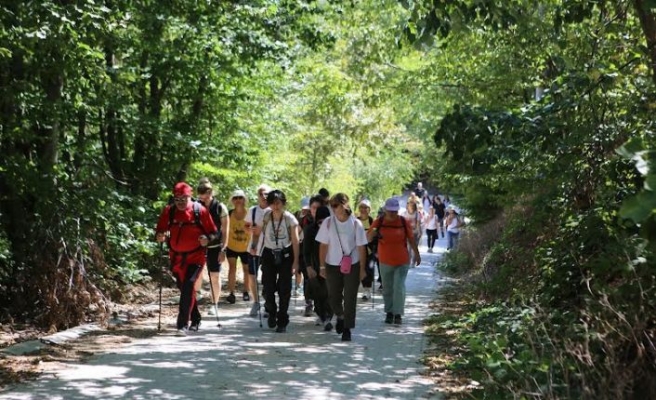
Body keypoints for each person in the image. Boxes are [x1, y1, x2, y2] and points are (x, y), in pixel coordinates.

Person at [155, 182, 218, 336]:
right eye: (177, 199)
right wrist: (160, 236)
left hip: (196, 257)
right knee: (185, 290)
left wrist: (207, 239)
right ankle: (195, 318)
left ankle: (182, 324)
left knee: (189, 286)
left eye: (183, 199)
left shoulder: (200, 211)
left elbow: (214, 233)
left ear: (189, 197)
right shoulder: (169, 212)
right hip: (176, 258)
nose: (181, 203)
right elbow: (159, 231)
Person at [316, 193, 368, 342]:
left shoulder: (355, 224)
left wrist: (363, 269)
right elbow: (323, 245)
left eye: (335, 205)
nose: (332, 209)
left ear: (344, 205)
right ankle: (340, 315)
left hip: (353, 264)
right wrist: (322, 266)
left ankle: (347, 328)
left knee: (350, 297)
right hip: (332, 264)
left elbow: (361, 248)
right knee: (333, 296)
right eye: (331, 205)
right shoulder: (328, 222)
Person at [251, 189, 300, 333]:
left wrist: (296, 261)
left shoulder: (290, 219)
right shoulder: (266, 216)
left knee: (284, 288)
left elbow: (296, 242)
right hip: (268, 254)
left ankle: (282, 320)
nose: (275, 206)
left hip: (285, 255)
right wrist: (254, 246)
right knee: (268, 287)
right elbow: (257, 233)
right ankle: (271, 311)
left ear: (283, 203)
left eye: (278, 203)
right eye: (272, 203)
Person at [368, 197, 420, 326]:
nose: (392, 213)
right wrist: (374, 234)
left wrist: (417, 254)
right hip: (384, 260)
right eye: (390, 211)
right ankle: (389, 312)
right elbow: (368, 238)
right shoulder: (378, 222)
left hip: (402, 260)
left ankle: (398, 314)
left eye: (395, 211)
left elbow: (411, 239)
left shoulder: (403, 221)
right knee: (387, 288)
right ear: (385, 210)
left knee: (399, 286)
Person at [196, 180, 229, 313]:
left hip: (215, 246)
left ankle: (214, 304)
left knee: (214, 275)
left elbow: (226, 231)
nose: (202, 198)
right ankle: (195, 298)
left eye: (205, 195)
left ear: (210, 193)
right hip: (198, 246)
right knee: (196, 274)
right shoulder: (196, 206)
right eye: (200, 196)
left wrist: (223, 249)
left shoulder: (220, 207)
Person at [303, 205, 333, 330]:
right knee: (318, 293)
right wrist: (309, 267)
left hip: (332, 266)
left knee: (329, 293)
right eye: (320, 221)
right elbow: (306, 251)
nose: (322, 224)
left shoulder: (335, 230)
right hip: (315, 266)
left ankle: (328, 316)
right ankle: (322, 315)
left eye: (325, 221)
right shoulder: (310, 230)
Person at [245, 184, 271, 317]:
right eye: (261, 194)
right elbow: (246, 226)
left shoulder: (274, 210)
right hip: (253, 248)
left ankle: (268, 304)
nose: (264, 196)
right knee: (252, 276)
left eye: (266, 194)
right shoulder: (253, 210)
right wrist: (250, 230)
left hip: (268, 249)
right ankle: (256, 302)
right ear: (258, 196)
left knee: (268, 278)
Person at [226, 189, 251, 303]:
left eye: (240, 198)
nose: (238, 200)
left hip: (246, 247)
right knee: (232, 268)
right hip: (231, 246)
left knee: (247, 269)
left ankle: (246, 291)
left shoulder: (249, 214)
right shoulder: (229, 213)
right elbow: (224, 229)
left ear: (244, 200)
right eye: (235, 198)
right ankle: (231, 293)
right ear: (232, 200)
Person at [356, 199, 375, 301]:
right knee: (357, 269)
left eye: (365, 208)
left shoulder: (373, 222)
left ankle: (367, 291)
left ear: (369, 210)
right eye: (361, 207)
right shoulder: (355, 221)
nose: (363, 210)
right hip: (357, 250)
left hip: (369, 251)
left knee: (369, 270)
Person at [401, 199, 422, 266]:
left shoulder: (417, 214)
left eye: (412, 206)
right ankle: (409, 262)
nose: (410, 207)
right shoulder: (404, 214)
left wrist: (419, 232)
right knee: (408, 248)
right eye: (409, 206)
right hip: (407, 232)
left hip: (414, 232)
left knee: (414, 247)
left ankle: (413, 261)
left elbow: (418, 224)